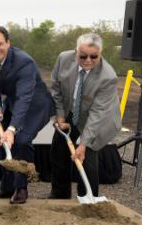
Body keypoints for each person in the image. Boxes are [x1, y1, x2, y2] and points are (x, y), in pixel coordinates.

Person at [0, 26, 54, 204]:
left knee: (21, 141)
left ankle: (21, 189)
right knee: (3, 143)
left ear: (8, 43)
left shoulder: (24, 62)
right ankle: (6, 188)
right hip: (14, 102)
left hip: (35, 105)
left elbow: (25, 97)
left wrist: (12, 129)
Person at [49, 33, 121, 198]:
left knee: (87, 159)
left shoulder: (108, 77)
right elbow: (56, 87)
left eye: (94, 56)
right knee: (58, 152)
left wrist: (83, 144)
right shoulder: (63, 59)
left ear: (100, 54)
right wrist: (60, 116)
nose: (88, 60)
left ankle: (88, 199)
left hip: (96, 118)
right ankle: (59, 195)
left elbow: (97, 114)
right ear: (76, 52)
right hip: (70, 111)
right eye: (83, 56)